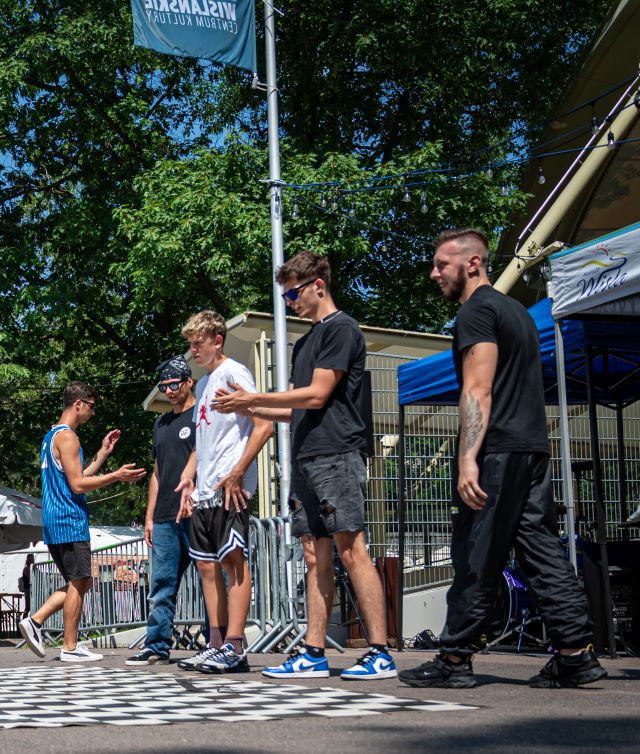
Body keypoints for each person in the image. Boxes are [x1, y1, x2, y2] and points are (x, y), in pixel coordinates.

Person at [398, 228, 606, 689]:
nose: (434, 274)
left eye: (442, 264)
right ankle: (576, 654)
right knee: (540, 549)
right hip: (531, 447)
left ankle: (454, 659)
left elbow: (478, 389)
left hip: (498, 451)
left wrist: (467, 458)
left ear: (473, 263)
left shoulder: (477, 311)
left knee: (476, 550)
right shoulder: (518, 313)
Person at [213, 251, 396, 681]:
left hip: (338, 453)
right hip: (307, 457)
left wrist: (254, 398)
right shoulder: (305, 342)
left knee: (351, 548)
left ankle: (380, 652)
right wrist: (243, 407)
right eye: (285, 296)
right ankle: (314, 653)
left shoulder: (342, 329)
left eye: (293, 293)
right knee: (314, 554)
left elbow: (316, 394)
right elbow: (294, 408)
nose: (289, 302)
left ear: (318, 285)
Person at [169, 315, 273, 674]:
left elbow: (264, 425)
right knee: (205, 565)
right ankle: (214, 643)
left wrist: (239, 471)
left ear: (217, 339)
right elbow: (203, 439)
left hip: (231, 487)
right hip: (205, 490)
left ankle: (235, 646)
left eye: (199, 343)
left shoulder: (234, 373)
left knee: (233, 562)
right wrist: (188, 476)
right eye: (190, 344)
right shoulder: (203, 384)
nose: (193, 350)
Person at [17, 381, 147, 662]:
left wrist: (103, 453)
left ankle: (36, 621)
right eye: (91, 406)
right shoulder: (69, 437)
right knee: (79, 582)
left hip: (54, 519)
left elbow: (77, 475)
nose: (92, 412)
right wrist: (117, 476)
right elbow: (78, 485)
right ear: (78, 404)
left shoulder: (52, 436)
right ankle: (69, 646)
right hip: (69, 518)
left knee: (82, 581)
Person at [127, 356, 200, 666]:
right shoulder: (161, 423)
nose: (168, 391)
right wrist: (149, 516)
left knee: (210, 580)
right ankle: (157, 645)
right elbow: (157, 472)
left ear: (189, 382)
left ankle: (219, 641)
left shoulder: (201, 415)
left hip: (196, 511)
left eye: (174, 384)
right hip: (165, 517)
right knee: (161, 585)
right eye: (163, 386)